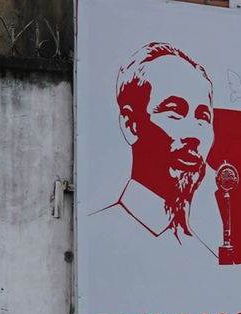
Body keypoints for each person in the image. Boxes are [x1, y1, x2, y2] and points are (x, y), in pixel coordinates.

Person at [88, 42, 225, 260]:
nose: (194, 134)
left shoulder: (206, 258)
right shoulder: (95, 238)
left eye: (203, 117)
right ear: (131, 124)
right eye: (174, 112)